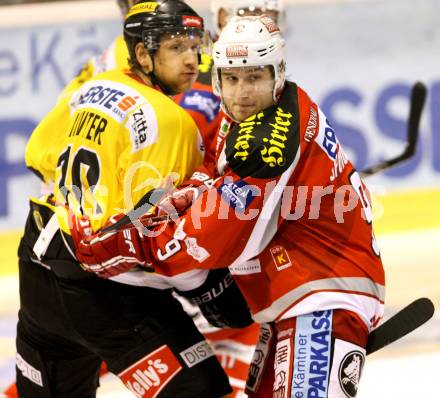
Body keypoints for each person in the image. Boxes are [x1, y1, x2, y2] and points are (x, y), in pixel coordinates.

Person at [74, 15, 386, 398]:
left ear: (278, 73)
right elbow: (213, 176)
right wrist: (171, 201)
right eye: (232, 78)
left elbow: (206, 242)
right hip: (296, 300)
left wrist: (130, 244)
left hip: (322, 297)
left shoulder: (266, 144)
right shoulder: (255, 111)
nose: (241, 93)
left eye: (254, 77)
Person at [15, 1, 255, 397]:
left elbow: (38, 152)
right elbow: (163, 239)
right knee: (200, 389)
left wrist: (85, 203)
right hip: (105, 293)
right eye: (176, 47)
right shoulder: (173, 123)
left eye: (195, 45)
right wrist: (210, 288)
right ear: (143, 53)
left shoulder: (96, 84)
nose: (192, 58)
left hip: (38, 267)